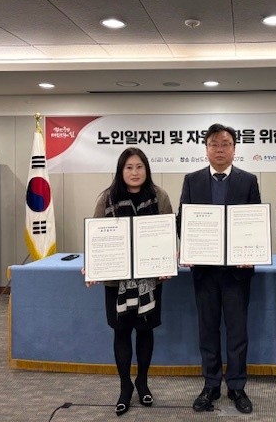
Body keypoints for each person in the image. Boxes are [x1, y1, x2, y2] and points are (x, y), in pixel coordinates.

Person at [178, 123, 261, 414]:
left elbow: (254, 221)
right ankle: (211, 384)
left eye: (226, 144)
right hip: (205, 271)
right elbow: (183, 220)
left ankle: (236, 386)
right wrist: (187, 247)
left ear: (234, 149)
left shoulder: (248, 180)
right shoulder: (192, 180)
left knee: (237, 332)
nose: (220, 149)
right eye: (214, 144)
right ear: (206, 149)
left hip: (237, 272)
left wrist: (252, 251)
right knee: (208, 330)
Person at [86, 147, 173, 417]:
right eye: (129, 167)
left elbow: (167, 235)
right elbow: (97, 238)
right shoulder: (107, 198)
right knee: (121, 333)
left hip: (150, 280)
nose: (135, 172)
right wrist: (93, 266)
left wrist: (167, 263)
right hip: (117, 282)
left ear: (146, 169)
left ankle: (142, 382)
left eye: (139, 167)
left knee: (145, 332)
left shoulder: (159, 196)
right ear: (120, 171)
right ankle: (125, 386)